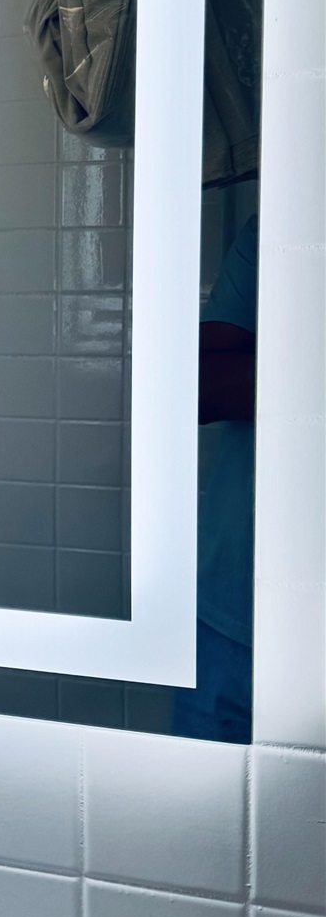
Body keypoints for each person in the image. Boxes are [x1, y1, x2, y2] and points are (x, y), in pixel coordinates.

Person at [172, 213, 257, 741]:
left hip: (232, 613)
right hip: (229, 613)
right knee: (195, 814)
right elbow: (201, 386)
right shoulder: (286, 218)